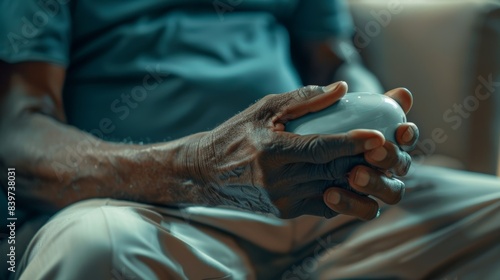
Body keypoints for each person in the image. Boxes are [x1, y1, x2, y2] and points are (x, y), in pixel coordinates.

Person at [0, 0, 499, 279]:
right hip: (147, 209)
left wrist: (373, 127)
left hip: (317, 201)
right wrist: (200, 171)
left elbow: (333, 59)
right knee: (97, 251)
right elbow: (17, 133)